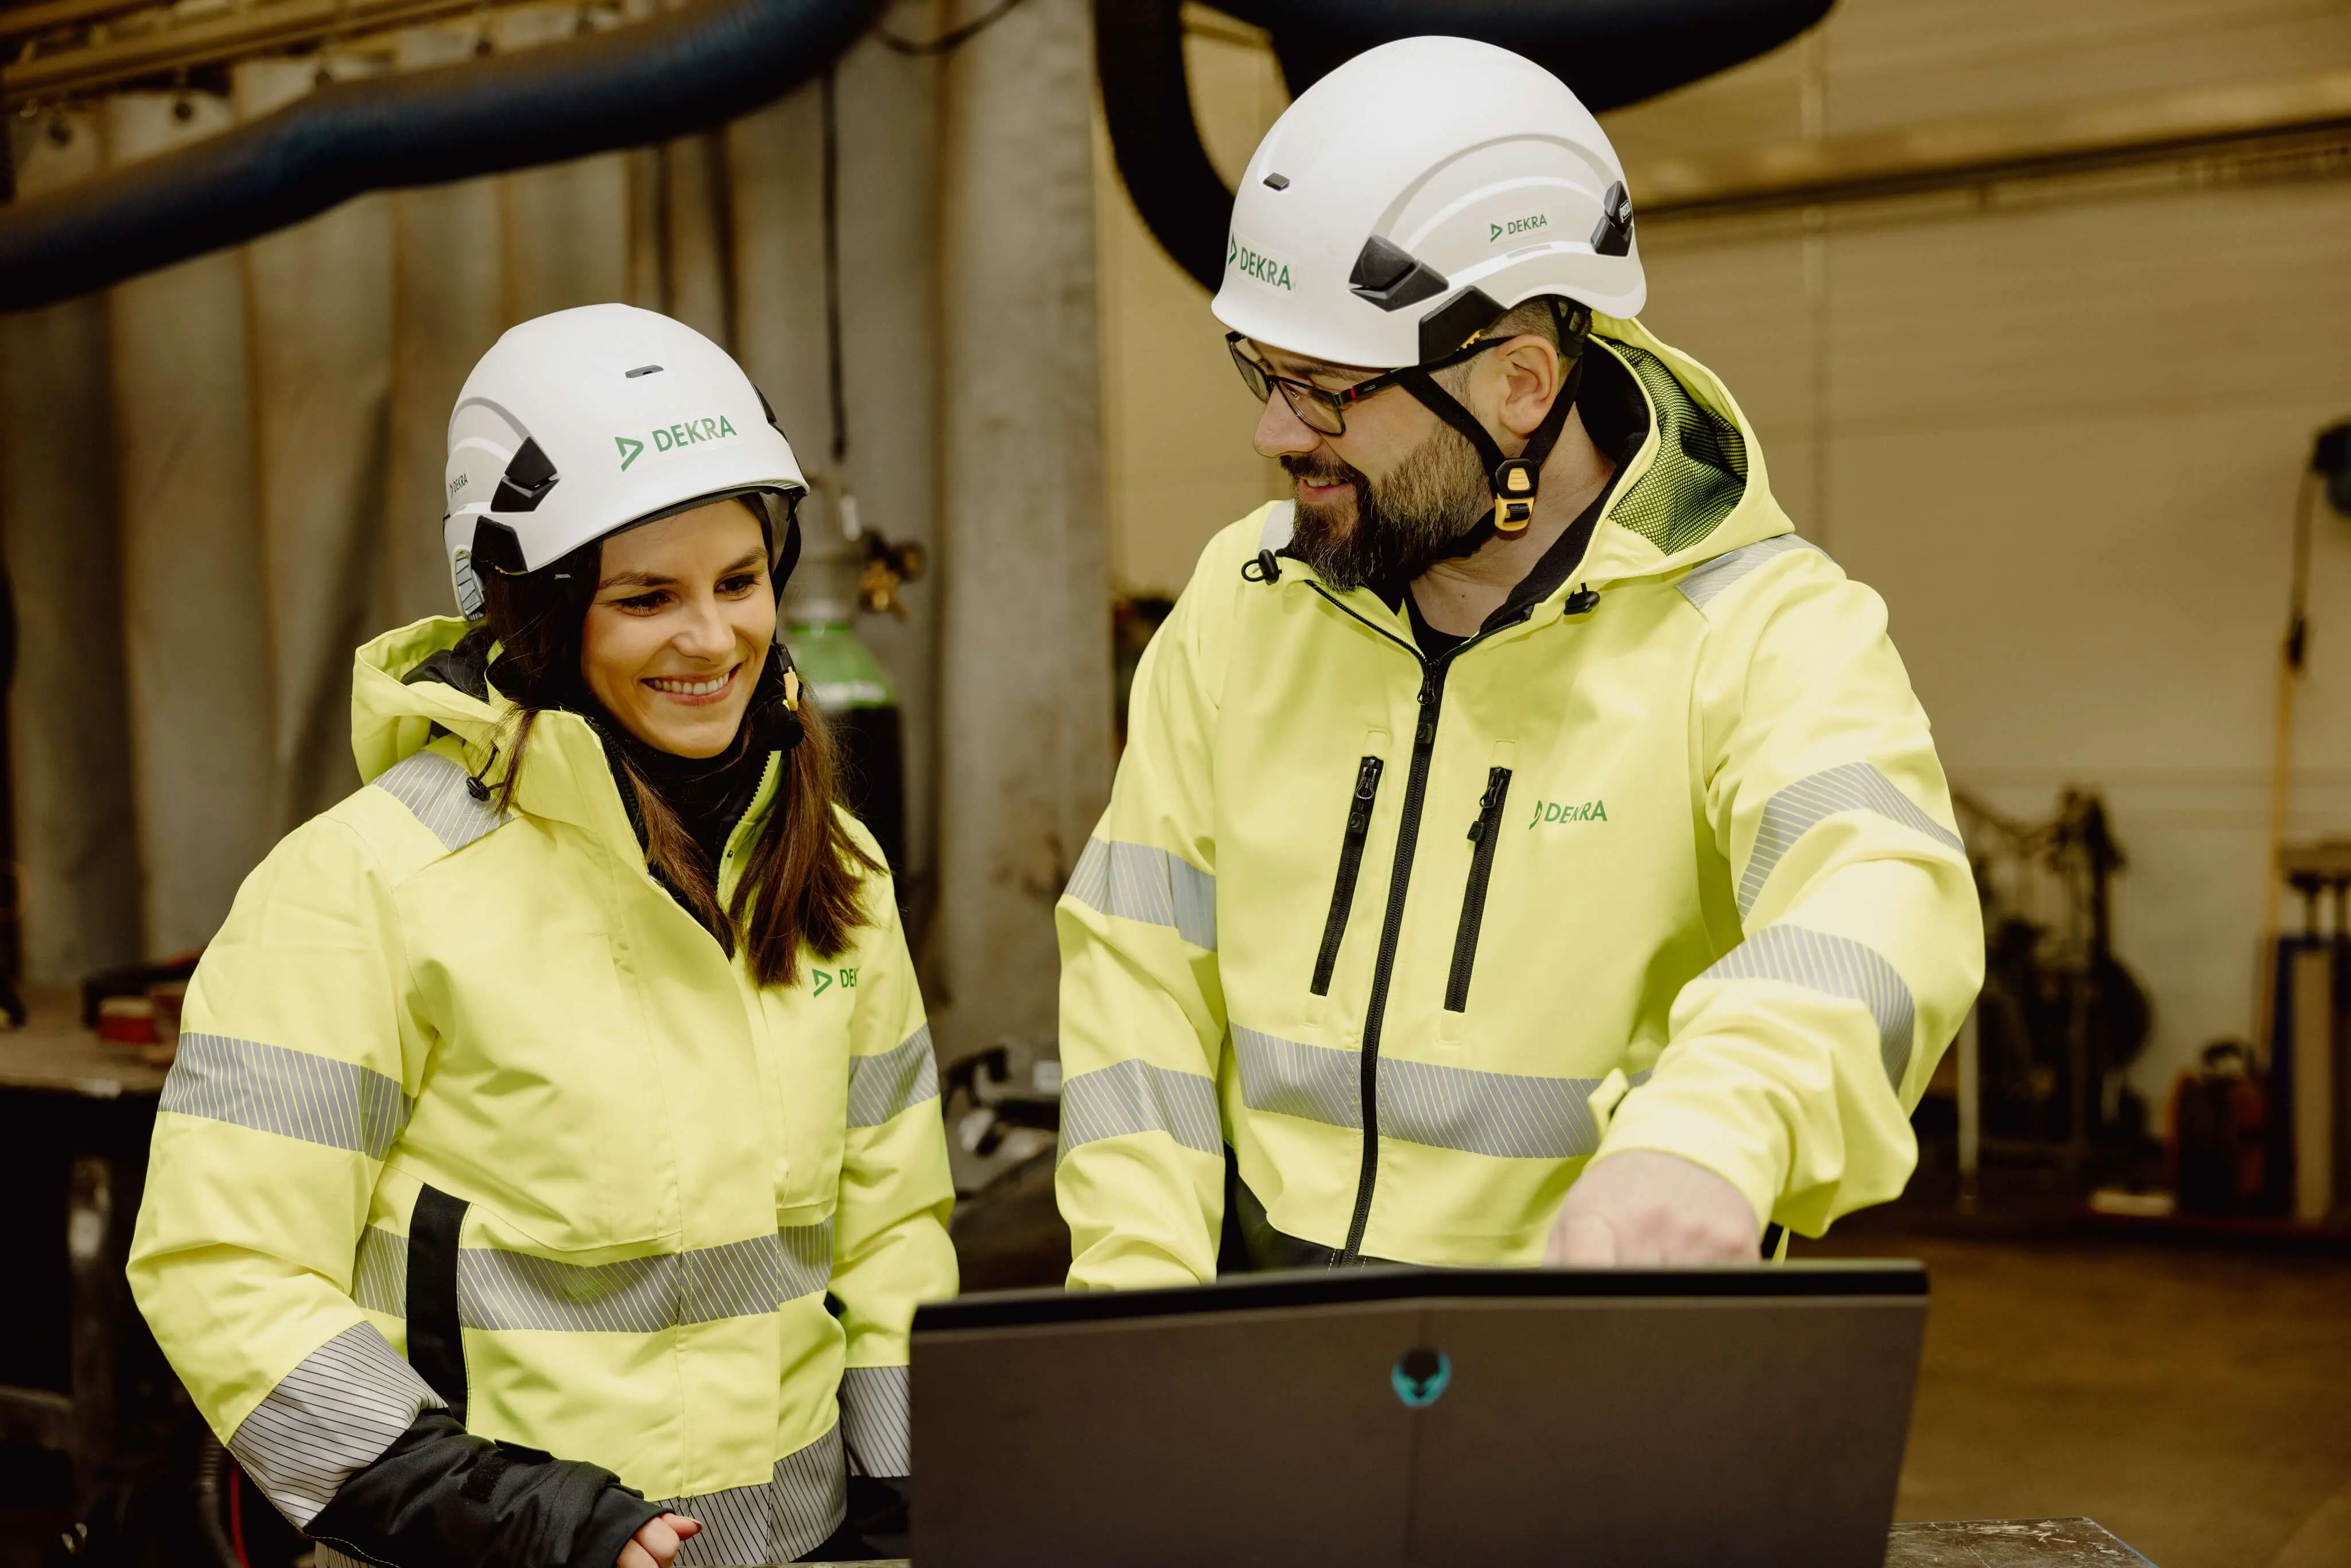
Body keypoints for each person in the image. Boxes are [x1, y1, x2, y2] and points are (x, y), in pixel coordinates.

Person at [1056, 37, 1983, 1283]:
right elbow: (1137, 974)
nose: (1275, 432)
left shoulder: (1760, 631)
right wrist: (1135, 1300)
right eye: (1265, 376)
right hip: (1255, 1338)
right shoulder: (1246, 597)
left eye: (1325, 391)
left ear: (1518, 385)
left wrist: (1711, 1132)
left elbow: (1879, 901)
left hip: (1592, 1344)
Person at [128, 305, 955, 1568]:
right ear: (534, 610)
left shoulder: (831, 869)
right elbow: (224, 1271)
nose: (712, 638)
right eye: (645, 597)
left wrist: (906, 1509)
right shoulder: (359, 887)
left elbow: (891, 1227)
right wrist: (522, 1517)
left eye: (740, 582)